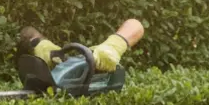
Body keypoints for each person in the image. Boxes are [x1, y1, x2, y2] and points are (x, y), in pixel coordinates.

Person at [17, 19, 145, 72]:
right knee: (30, 35)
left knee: (106, 54)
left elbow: (136, 24)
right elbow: (28, 34)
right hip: (60, 55)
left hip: (99, 54)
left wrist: (113, 47)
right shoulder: (49, 51)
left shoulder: (102, 53)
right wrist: (45, 49)